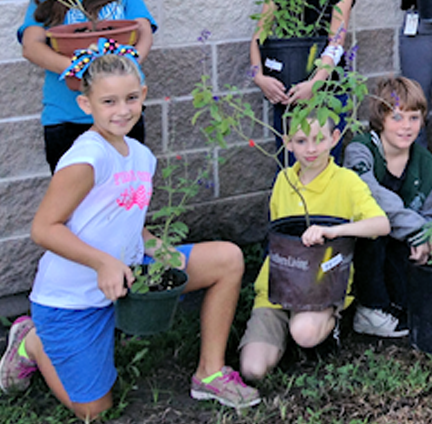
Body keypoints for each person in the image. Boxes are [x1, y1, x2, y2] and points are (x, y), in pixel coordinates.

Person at [0, 48, 259, 416]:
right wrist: (102, 262)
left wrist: (160, 247)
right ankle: (33, 342)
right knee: (94, 411)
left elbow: (125, 223)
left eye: (131, 98)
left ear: (144, 95)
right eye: (109, 101)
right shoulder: (86, 158)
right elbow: (43, 229)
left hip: (127, 277)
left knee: (227, 259)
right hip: (74, 299)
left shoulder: (140, 155)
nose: (122, 110)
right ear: (86, 104)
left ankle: (210, 373)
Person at [239, 116, 389, 382]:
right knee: (253, 370)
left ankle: (326, 326)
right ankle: (280, 332)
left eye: (319, 139)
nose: (310, 149)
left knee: (305, 332)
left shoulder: (346, 181)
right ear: (287, 144)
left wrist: (335, 230)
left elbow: (381, 224)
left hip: (322, 284)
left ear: (334, 139)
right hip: (279, 284)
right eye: (300, 140)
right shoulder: (284, 180)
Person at [18, 0, 156, 172]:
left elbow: (144, 33)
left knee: (125, 198)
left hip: (122, 116)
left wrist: (124, 67)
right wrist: (85, 70)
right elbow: (31, 46)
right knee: (76, 207)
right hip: (67, 119)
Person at [249, 0, 354, 165]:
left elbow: (336, 43)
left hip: (328, 91)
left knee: (326, 166)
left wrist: (314, 84)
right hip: (289, 93)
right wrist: (259, 77)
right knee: (290, 165)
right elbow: (258, 37)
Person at [343, 77, 432, 339]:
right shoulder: (360, 149)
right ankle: (369, 309)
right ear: (381, 118)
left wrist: (425, 240)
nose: (406, 127)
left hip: (403, 246)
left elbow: (429, 216)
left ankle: (395, 306)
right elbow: (370, 196)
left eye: (414, 118)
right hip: (359, 246)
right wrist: (418, 230)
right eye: (397, 117)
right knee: (375, 227)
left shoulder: (427, 165)